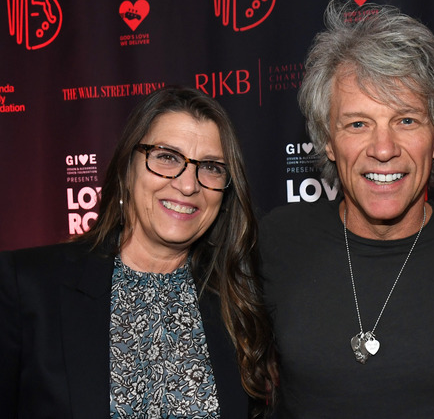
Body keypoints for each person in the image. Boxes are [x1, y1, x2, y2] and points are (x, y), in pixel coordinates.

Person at [259, 0, 434, 418]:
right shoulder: (277, 241)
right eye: (358, 124)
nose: (383, 149)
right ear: (327, 139)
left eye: (406, 120)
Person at [0, 86, 276, 418]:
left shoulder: (241, 302)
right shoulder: (28, 286)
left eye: (211, 167)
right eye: (167, 157)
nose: (189, 185)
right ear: (127, 169)